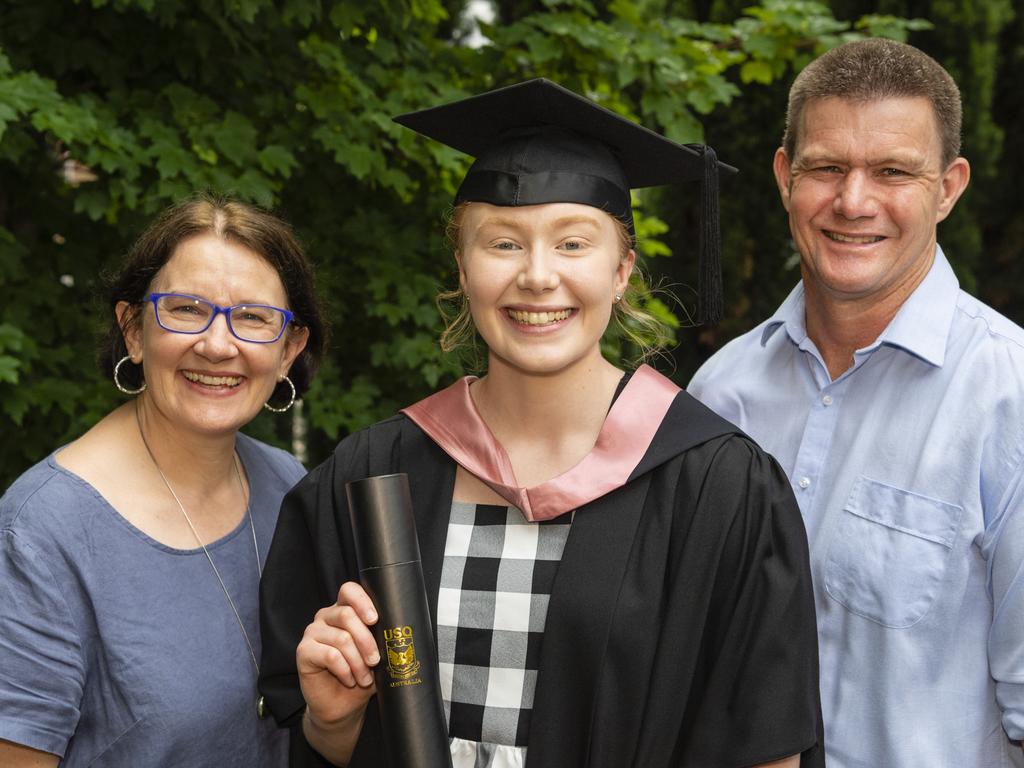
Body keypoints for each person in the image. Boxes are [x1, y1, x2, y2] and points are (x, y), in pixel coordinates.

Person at [259, 79, 824, 768]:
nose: (536, 276)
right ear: (462, 269)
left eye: (573, 243)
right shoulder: (370, 475)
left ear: (621, 272)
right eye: (502, 243)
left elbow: (765, 751)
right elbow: (326, 744)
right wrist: (331, 719)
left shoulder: (718, 486)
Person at [689, 38, 1024, 767]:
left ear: (950, 186)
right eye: (827, 167)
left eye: (893, 172)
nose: (852, 201)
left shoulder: (1009, 402)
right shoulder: (720, 395)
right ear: (785, 176)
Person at [0, 194, 327, 767]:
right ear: (132, 330)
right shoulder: (41, 532)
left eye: (252, 318)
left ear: (288, 350)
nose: (218, 345)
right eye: (184, 309)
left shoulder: (288, 487)